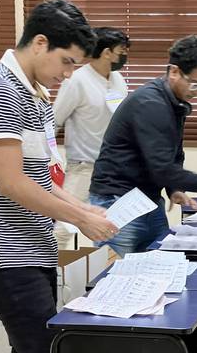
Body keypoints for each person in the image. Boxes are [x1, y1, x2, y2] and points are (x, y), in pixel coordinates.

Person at [0, 0, 118, 353]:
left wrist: (85, 210)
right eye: (67, 62)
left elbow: (41, 177)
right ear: (40, 42)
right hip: (7, 256)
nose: (68, 74)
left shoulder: (35, 93)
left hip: (34, 249)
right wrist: (80, 219)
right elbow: (11, 183)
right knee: (41, 346)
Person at [89, 35, 197, 257]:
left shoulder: (175, 102)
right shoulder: (151, 104)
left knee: (161, 263)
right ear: (175, 72)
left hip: (146, 200)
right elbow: (163, 169)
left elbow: (174, 152)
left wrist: (174, 189)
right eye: (195, 84)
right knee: (117, 275)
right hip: (117, 200)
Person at [53, 27, 130, 250]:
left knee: (111, 226)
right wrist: (51, 159)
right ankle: (51, 277)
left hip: (113, 169)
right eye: (121, 51)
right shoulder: (77, 81)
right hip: (83, 168)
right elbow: (54, 120)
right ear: (106, 52)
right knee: (64, 227)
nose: (123, 56)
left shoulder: (117, 80)